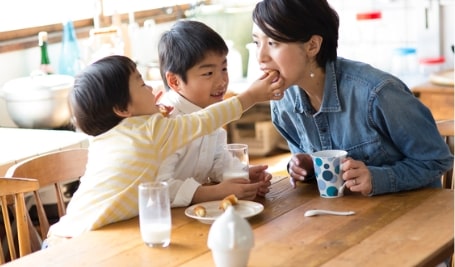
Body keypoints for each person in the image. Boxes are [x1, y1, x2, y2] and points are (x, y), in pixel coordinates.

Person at [44, 55, 284, 245]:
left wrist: (155, 118)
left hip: (73, 232)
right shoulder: (150, 131)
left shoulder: (113, 135)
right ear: (122, 109)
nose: (150, 88)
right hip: (76, 243)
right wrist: (251, 96)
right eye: (141, 83)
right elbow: (204, 120)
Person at [251, 0, 453, 196]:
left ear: (312, 46)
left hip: (413, 219)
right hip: (345, 218)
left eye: (272, 42)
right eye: (256, 42)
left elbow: (437, 160)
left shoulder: (378, 93)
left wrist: (377, 178)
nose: (261, 57)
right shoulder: (283, 102)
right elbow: (312, 167)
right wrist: (306, 167)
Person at [156, 20, 272, 207]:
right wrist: (216, 192)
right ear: (175, 81)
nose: (222, 81)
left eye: (224, 68)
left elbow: (216, 161)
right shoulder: (167, 121)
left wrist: (242, 177)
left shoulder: (208, 109)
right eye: (208, 73)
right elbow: (160, 188)